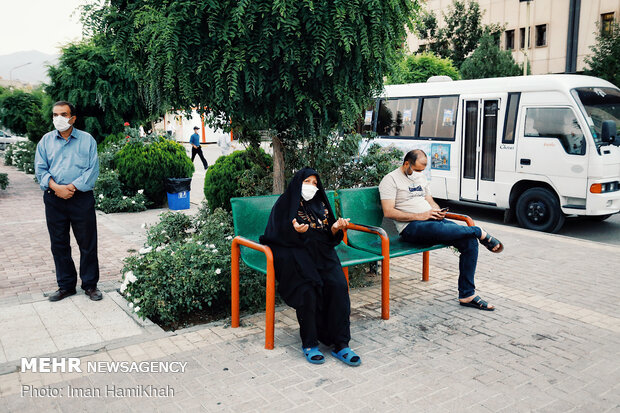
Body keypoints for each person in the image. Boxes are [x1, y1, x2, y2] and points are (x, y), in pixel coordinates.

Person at [379, 149, 503, 311]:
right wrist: (422, 216)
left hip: (431, 222)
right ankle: (478, 231)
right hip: (411, 228)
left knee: (469, 242)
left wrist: (436, 212)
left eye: (422, 171)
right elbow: (389, 212)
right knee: (469, 233)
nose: (419, 173)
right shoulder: (390, 180)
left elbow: (430, 201)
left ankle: (467, 294)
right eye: (416, 170)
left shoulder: (420, 177)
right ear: (406, 164)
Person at [260, 167, 361, 366]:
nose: (311, 187)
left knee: (338, 286)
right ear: (298, 182)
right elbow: (274, 235)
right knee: (308, 290)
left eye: (315, 183)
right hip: (293, 254)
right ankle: (310, 343)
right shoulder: (285, 204)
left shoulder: (320, 203)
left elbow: (328, 238)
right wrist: (294, 230)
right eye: (307, 182)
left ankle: (341, 344)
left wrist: (334, 228)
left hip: (322, 253)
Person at [34, 101, 101, 302]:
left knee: (87, 243)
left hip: (80, 197)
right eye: (55, 115)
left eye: (63, 114)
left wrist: (70, 188)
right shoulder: (45, 141)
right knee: (59, 244)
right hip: (54, 198)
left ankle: (90, 285)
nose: (58, 119)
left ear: (73, 118)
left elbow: (93, 169)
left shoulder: (87, 140)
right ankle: (66, 286)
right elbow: (40, 169)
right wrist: (57, 188)